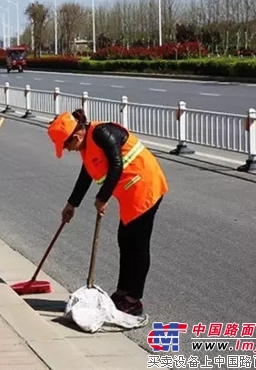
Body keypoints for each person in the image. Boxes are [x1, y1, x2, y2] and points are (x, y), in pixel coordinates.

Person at [47, 109, 168, 316]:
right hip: (130, 192)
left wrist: (102, 197)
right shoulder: (86, 147)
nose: (68, 150)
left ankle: (133, 300)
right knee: (125, 240)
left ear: (76, 136)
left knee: (137, 244)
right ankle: (122, 293)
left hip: (145, 187)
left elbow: (116, 165)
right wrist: (72, 204)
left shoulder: (101, 133)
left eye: (67, 146)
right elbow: (86, 175)